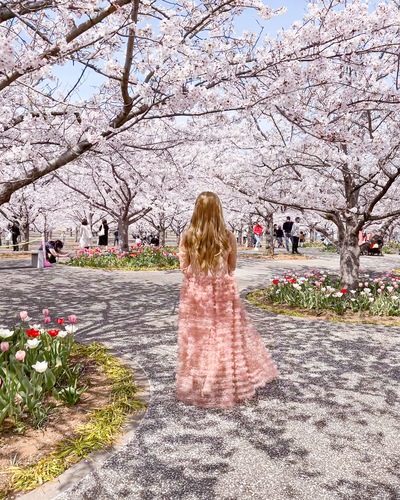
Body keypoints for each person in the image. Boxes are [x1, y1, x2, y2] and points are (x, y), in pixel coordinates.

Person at [177, 192, 278, 408]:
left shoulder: (188, 235)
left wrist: (198, 274)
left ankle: (201, 378)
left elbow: (183, 267)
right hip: (222, 291)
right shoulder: (227, 236)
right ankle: (214, 379)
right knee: (223, 336)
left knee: (199, 336)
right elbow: (232, 267)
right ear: (218, 210)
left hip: (196, 293)